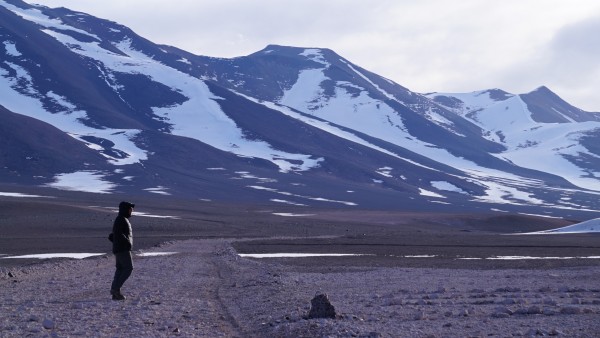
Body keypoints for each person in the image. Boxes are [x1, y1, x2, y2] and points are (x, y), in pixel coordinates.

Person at [109, 201, 135, 301]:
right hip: (123, 249)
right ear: (125, 210)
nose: (131, 211)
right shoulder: (121, 219)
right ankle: (115, 290)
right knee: (128, 268)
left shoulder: (121, 219)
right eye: (130, 209)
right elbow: (118, 234)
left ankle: (115, 292)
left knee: (120, 269)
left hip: (119, 248)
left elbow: (114, 234)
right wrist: (127, 242)